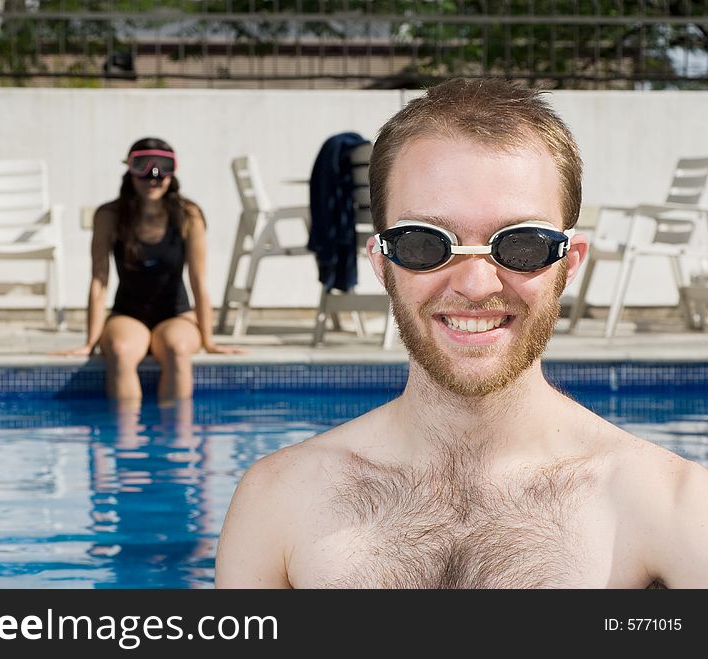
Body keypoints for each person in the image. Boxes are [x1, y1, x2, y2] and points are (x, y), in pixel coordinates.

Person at [215, 78, 708, 588]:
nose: (476, 285)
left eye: (521, 245)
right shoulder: (278, 502)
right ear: (383, 265)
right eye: (426, 244)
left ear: (568, 264)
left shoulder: (671, 510)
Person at [58, 137, 239, 401]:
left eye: (162, 169)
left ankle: (177, 439)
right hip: (128, 315)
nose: (153, 177)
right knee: (120, 351)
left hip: (177, 315)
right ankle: (124, 438)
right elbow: (99, 280)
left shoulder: (188, 215)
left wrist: (209, 341)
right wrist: (90, 342)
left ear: (172, 173)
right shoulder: (109, 215)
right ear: (129, 170)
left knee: (177, 349)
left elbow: (199, 281)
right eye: (142, 167)